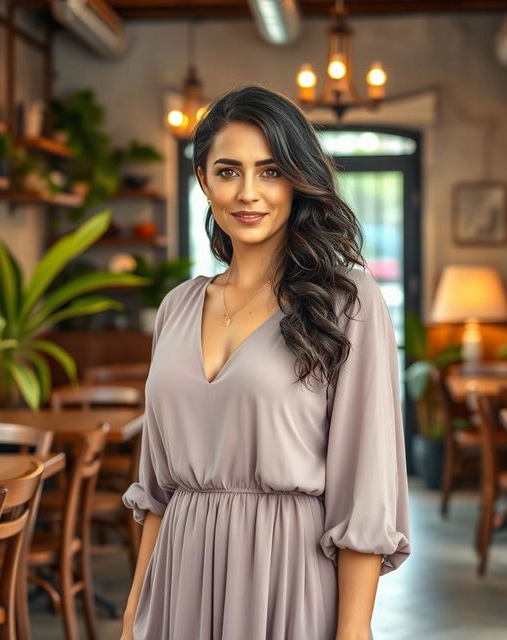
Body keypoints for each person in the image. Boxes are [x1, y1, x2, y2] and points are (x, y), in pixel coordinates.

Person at [121, 84, 411, 640]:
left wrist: (353, 632)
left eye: (271, 171)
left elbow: (364, 490)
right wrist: (134, 616)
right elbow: (156, 492)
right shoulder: (176, 307)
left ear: (297, 179)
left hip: (287, 581)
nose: (249, 192)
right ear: (203, 180)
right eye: (228, 171)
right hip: (176, 581)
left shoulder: (345, 302)